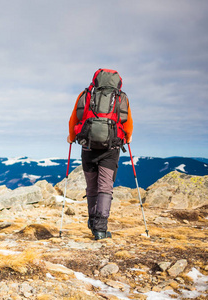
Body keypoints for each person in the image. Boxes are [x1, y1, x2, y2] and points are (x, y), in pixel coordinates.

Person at [67, 69, 133, 240]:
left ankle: (92, 220)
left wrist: (71, 136)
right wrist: (127, 136)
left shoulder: (86, 94)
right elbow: (128, 122)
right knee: (105, 187)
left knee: (92, 186)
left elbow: (74, 118)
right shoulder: (121, 97)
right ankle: (100, 229)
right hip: (110, 149)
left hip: (88, 147)